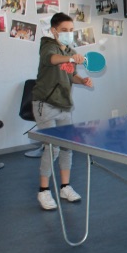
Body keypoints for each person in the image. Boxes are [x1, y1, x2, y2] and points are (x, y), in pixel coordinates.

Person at [32, 12, 93, 211]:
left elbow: (70, 74)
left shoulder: (70, 50)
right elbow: (52, 59)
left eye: (71, 30)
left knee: (67, 146)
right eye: (64, 30)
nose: (68, 33)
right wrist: (71, 57)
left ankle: (65, 187)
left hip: (64, 104)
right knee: (52, 148)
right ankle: (43, 190)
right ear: (54, 30)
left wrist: (82, 80)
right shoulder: (48, 46)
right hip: (45, 104)